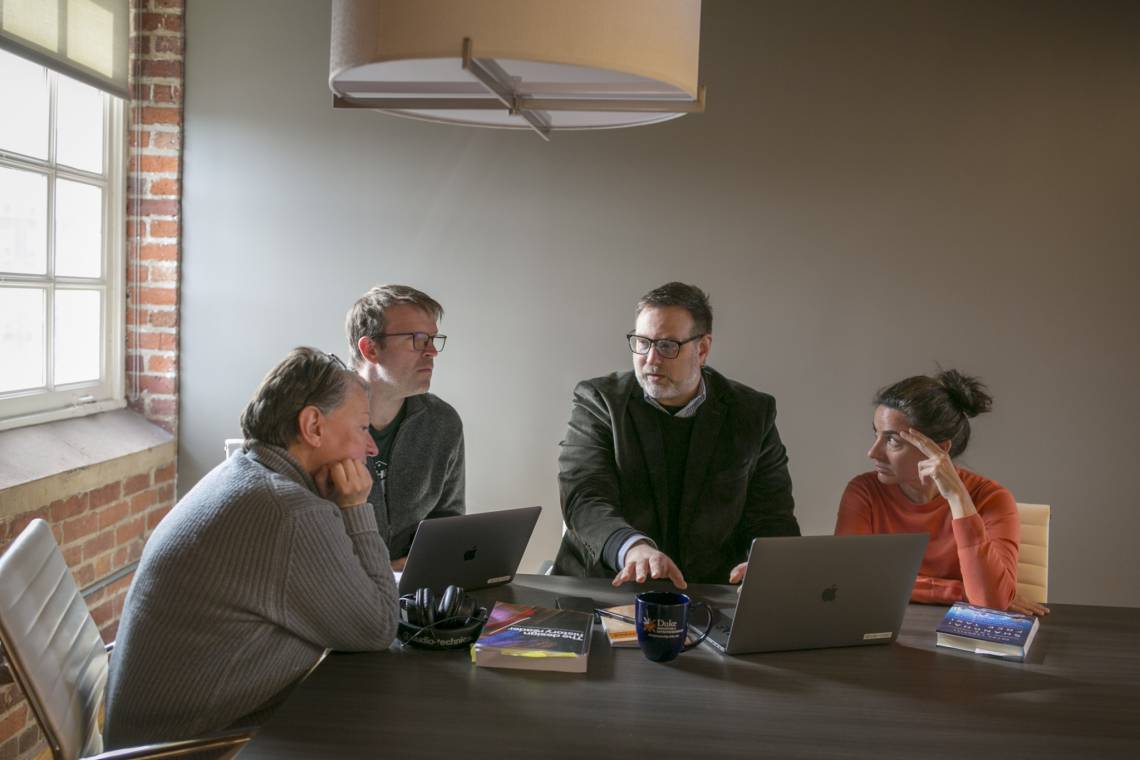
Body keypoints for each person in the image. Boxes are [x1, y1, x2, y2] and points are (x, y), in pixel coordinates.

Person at [104, 348, 399, 749]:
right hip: (190, 751)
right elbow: (378, 626)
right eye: (364, 428)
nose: (372, 449)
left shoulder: (244, 473)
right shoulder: (288, 512)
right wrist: (354, 507)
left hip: (157, 736)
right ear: (313, 426)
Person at [553, 282, 800, 588]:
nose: (651, 358)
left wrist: (767, 562)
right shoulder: (599, 401)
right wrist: (631, 548)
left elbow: (772, 515)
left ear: (703, 348)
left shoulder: (751, 413)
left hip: (704, 592)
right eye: (642, 342)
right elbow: (584, 495)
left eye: (668, 345)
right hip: (606, 586)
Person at [345, 285, 464, 570]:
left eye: (433, 339)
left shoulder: (442, 422)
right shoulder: (321, 424)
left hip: (415, 592)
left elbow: (447, 522)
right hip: (336, 592)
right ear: (370, 348)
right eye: (418, 340)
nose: (432, 352)